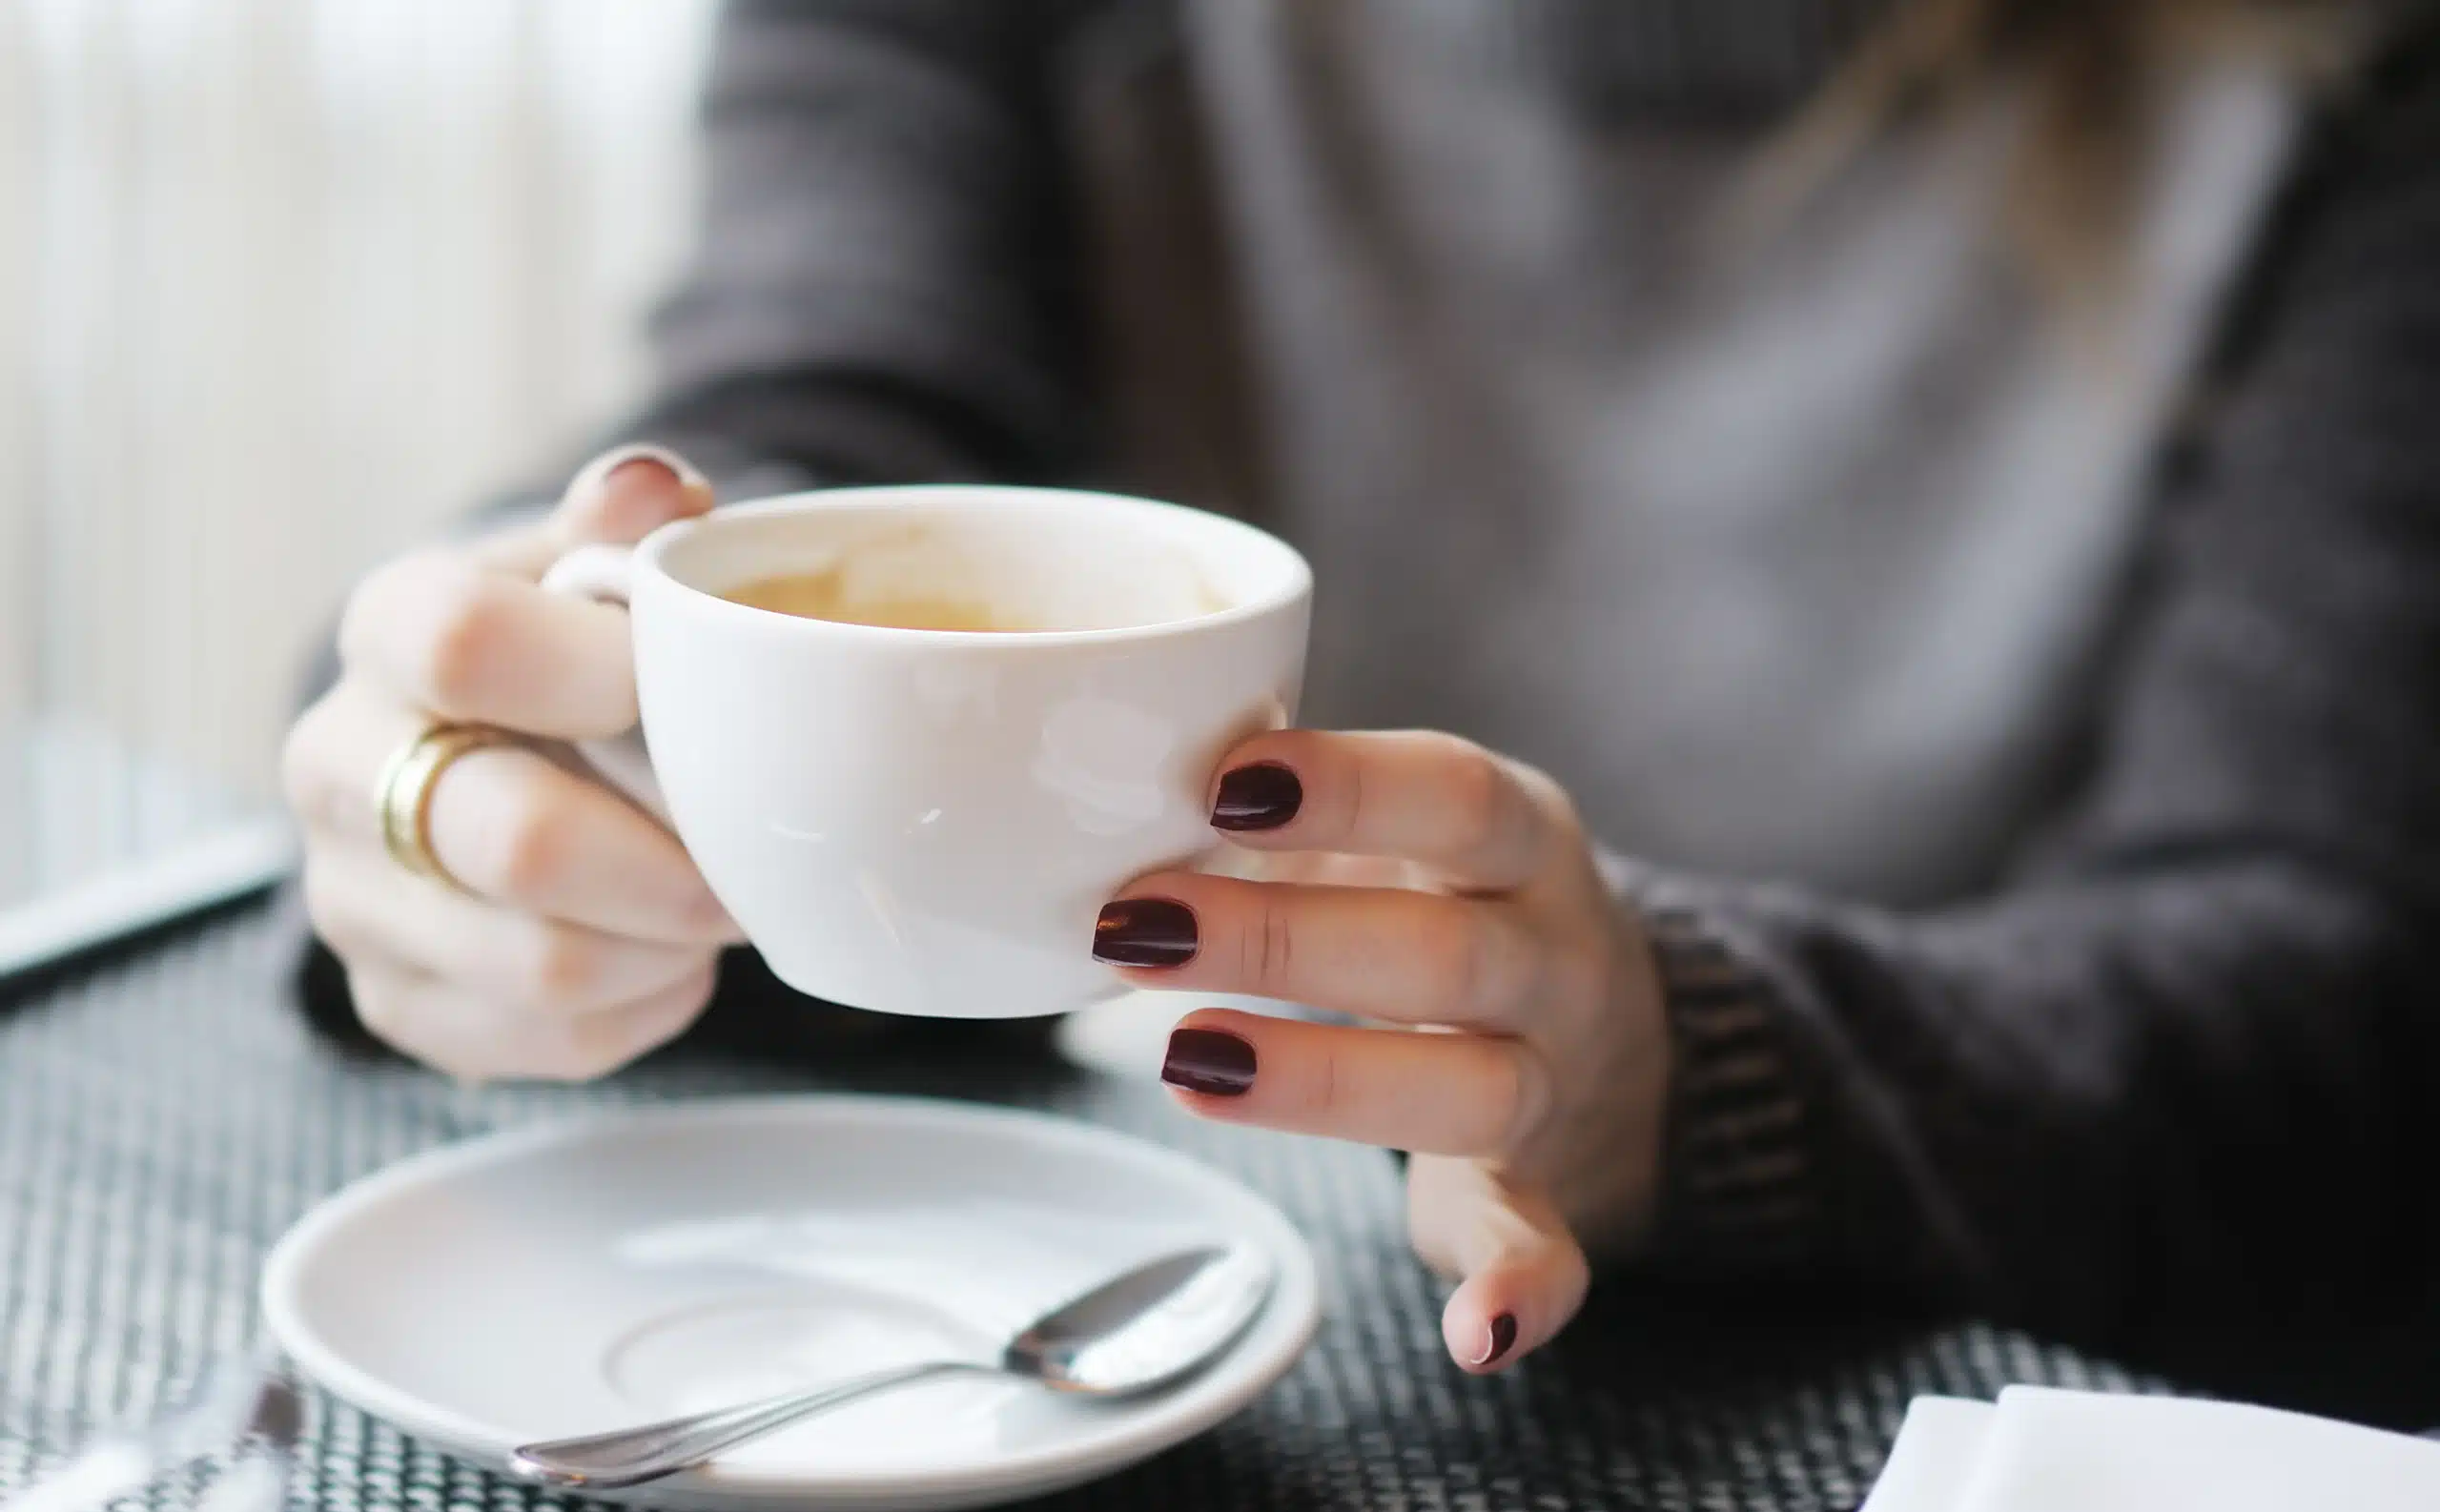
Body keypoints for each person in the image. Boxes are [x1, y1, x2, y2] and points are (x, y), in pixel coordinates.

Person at [278, 0, 2440, 1406]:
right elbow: (818, 427)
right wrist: (509, 716)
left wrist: (1680, 1065)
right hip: (1135, 1334)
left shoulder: (2340, 86)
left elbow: (2326, 1003)